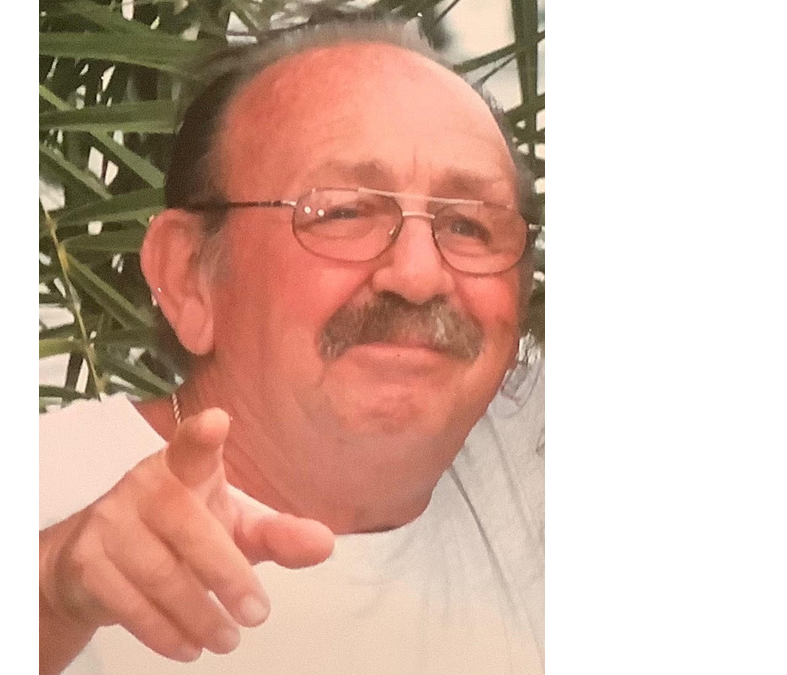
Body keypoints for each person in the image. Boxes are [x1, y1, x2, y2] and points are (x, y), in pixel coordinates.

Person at [39, 18, 544, 675]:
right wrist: (48, 600)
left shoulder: (528, 460)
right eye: (342, 212)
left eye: (469, 225)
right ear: (189, 277)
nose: (420, 276)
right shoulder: (47, 490)